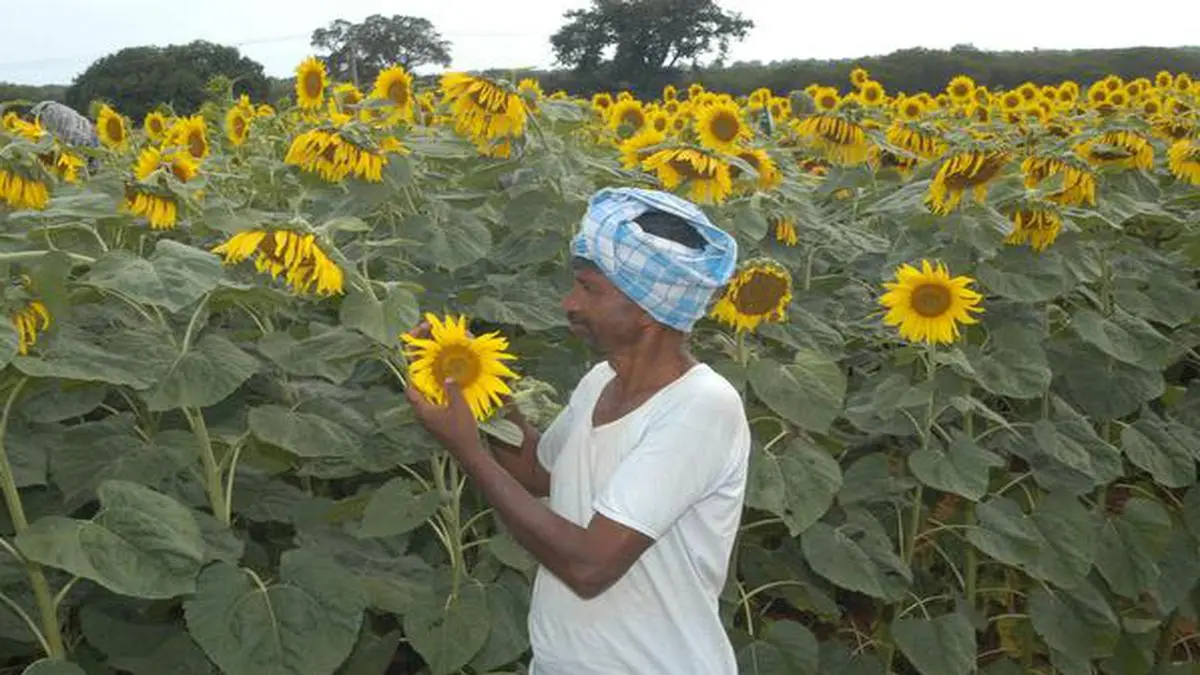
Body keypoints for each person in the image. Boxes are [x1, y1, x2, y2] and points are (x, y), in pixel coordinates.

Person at [404, 186, 752, 674]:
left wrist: (469, 452)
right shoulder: (602, 379)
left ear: (648, 309)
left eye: (589, 289)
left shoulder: (700, 409)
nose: (569, 302)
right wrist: (474, 381)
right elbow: (537, 473)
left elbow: (590, 566)